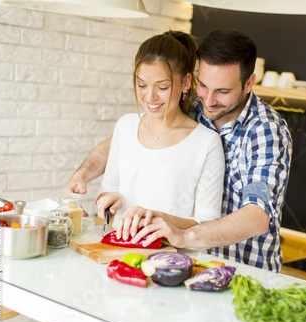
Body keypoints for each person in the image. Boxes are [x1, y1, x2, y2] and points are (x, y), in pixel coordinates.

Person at [64, 28, 292, 272]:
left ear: (248, 83)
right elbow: (125, 141)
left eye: (223, 91)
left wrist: (183, 236)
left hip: (245, 266)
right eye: (203, 85)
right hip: (193, 262)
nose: (209, 99)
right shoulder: (194, 106)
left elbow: (257, 216)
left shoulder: (266, 132)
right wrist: (83, 174)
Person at [95, 30, 225, 226]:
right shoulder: (126, 125)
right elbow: (108, 188)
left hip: (172, 255)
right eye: (141, 84)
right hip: (120, 251)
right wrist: (110, 200)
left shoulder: (206, 142)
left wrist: (157, 218)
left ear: (186, 82)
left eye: (162, 87)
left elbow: (208, 223)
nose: (149, 97)